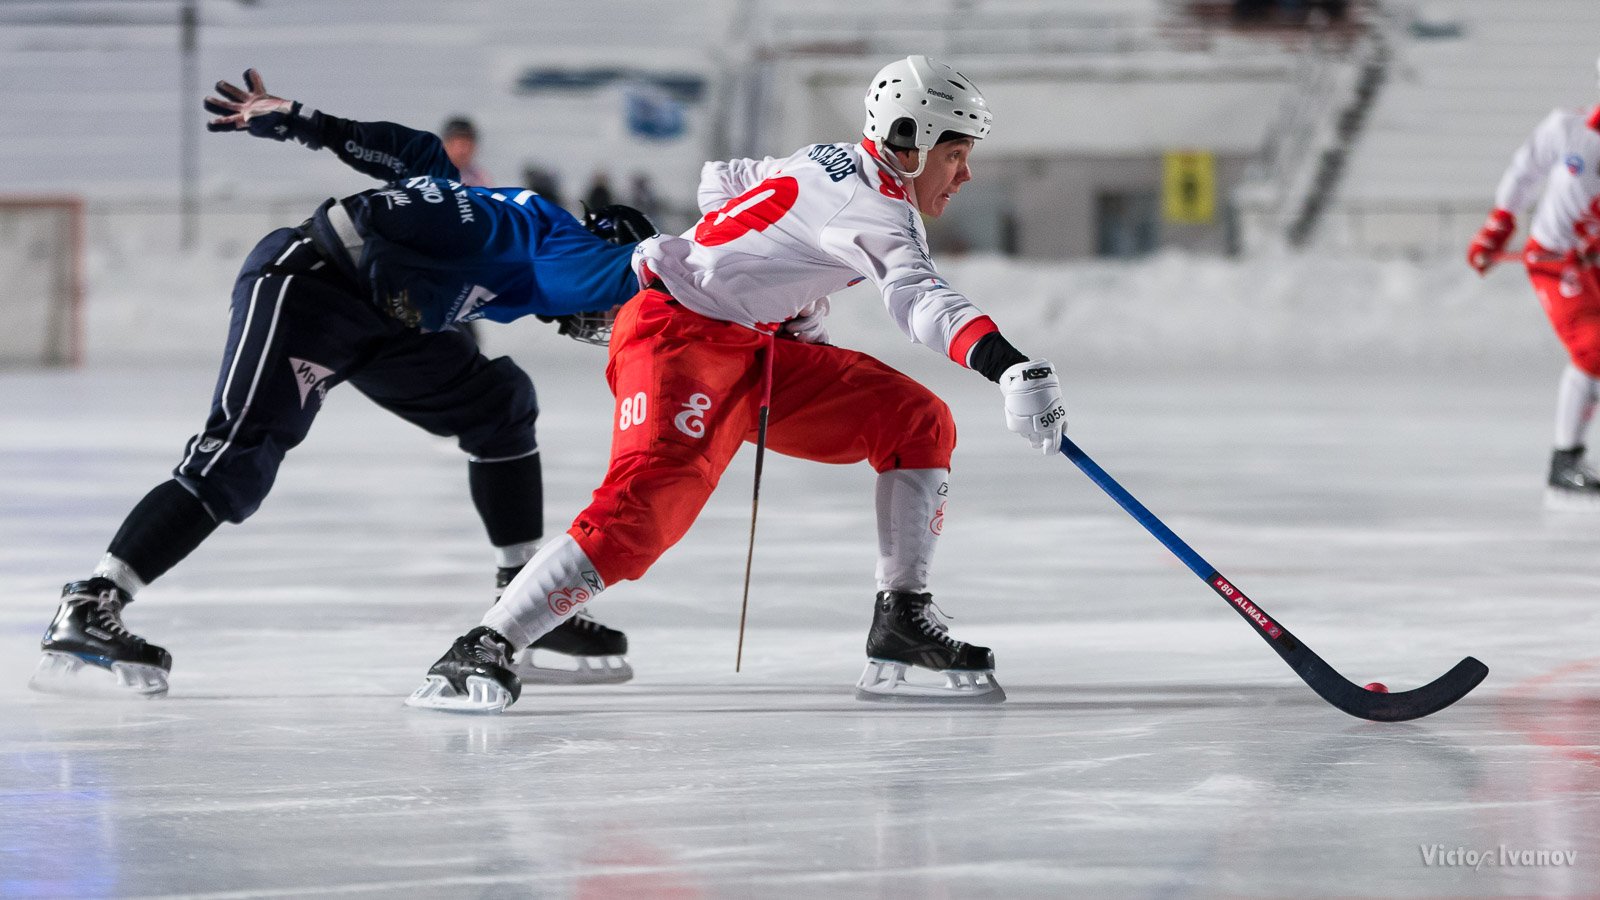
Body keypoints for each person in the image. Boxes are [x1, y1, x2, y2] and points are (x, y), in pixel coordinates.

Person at [405, 55, 1067, 713]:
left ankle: (901, 620)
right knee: (648, 506)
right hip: (678, 335)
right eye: (956, 154)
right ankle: (485, 644)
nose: (966, 173)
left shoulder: (828, 158)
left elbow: (723, 180)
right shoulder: (879, 210)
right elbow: (920, 302)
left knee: (914, 418)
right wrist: (1008, 365)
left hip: (751, 345)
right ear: (911, 143)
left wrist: (769, 286)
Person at [29, 70, 656, 698]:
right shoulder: (567, 247)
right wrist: (734, 260)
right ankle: (90, 603)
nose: (608, 321)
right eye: (611, 309)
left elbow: (418, 156)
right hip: (311, 287)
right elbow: (649, 275)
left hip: (384, 312)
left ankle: (522, 599)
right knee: (235, 458)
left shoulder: (505, 215)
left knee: (498, 406)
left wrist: (306, 119)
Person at [1469, 55, 1600, 507]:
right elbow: (1525, 171)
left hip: (1593, 265)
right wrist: (1498, 226)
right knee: (1593, 348)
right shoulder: (1567, 129)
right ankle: (1565, 461)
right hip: (1555, 263)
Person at [440, 116, 492, 187]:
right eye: (461, 145)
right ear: (446, 145)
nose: (465, 151)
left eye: (469, 145)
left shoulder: (478, 176)